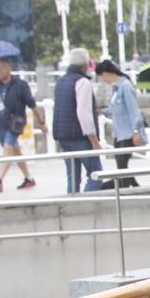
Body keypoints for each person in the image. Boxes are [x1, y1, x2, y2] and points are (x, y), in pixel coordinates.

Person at [0, 58, 41, 191]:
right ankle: (28, 178)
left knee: (8, 148)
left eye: (2, 68)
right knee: (15, 152)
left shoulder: (20, 84)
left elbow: (31, 103)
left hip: (14, 123)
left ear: (9, 68)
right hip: (0, 123)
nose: (0, 71)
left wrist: (41, 122)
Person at [52, 49, 101, 194]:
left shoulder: (61, 82)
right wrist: (94, 140)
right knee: (96, 175)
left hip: (63, 137)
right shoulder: (82, 82)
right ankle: (85, 205)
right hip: (80, 137)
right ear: (85, 65)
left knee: (72, 178)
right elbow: (84, 113)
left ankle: (71, 208)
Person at [97, 60, 144, 189]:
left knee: (122, 164)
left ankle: (124, 189)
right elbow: (114, 108)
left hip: (128, 133)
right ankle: (134, 186)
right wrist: (100, 111)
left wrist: (136, 131)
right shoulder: (116, 87)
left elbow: (134, 110)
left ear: (105, 74)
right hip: (119, 133)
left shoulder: (125, 86)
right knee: (121, 164)